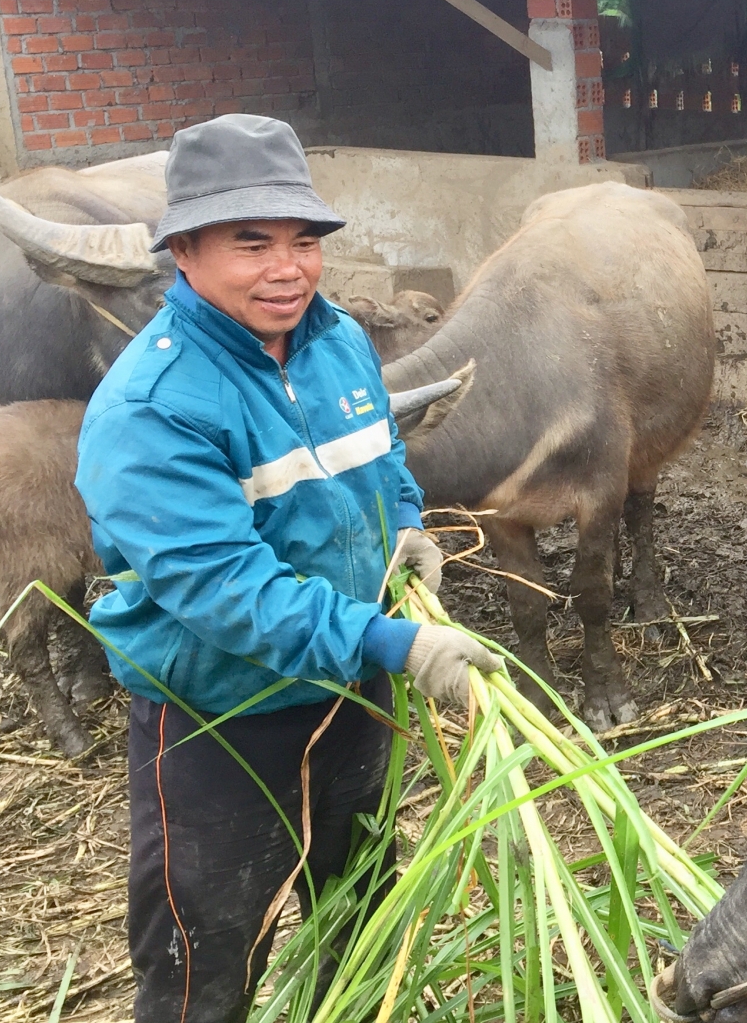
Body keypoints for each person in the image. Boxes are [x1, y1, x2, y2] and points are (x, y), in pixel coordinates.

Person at [74, 114, 502, 1023]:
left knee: (362, 925)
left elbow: (380, 454)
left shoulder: (336, 339)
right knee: (207, 962)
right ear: (182, 249)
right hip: (221, 721)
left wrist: (409, 529)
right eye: (252, 243)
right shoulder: (152, 408)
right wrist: (394, 640)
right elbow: (226, 592)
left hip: (348, 698)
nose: (287, 268)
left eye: (304, 242)